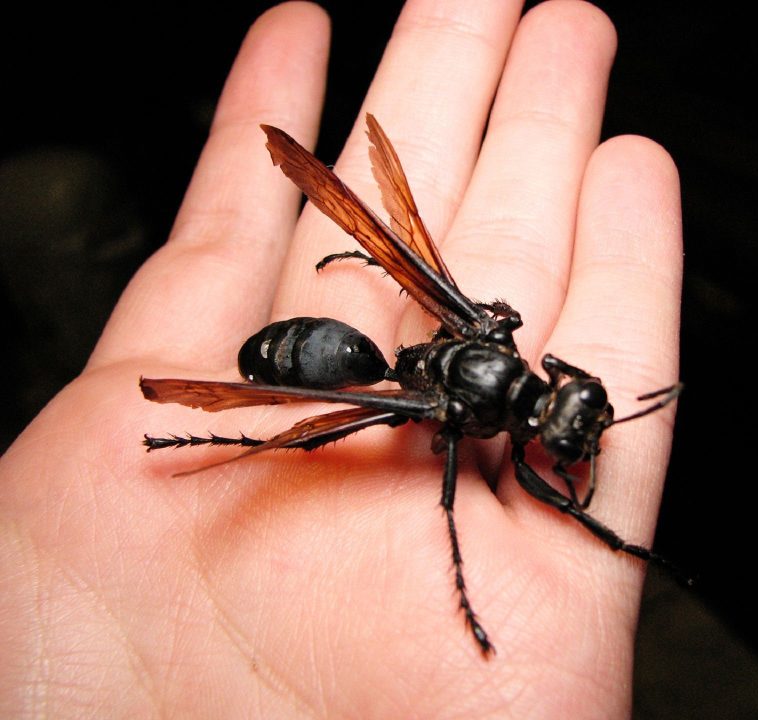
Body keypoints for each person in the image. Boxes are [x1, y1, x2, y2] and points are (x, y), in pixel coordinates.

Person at [0, 1, 681, 715]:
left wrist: (484, 319)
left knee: (364, 401)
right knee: (348, 418)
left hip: (380, 354)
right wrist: (477, 549)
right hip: (344, 365)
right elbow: (485, 466)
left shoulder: (489, 340)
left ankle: (223, 433)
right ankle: (228, 435)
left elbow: (494, 328)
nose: (562, 435)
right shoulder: (467, 408)